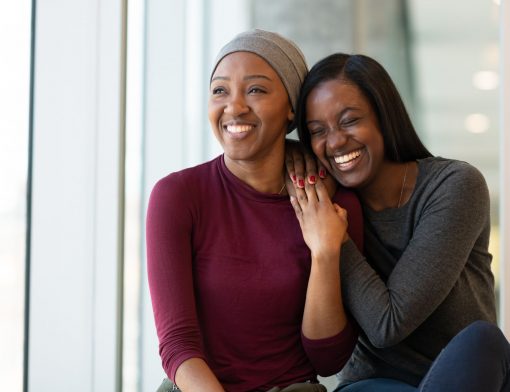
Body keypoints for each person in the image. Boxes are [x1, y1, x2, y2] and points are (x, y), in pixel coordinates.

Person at [146, 31, 364, 392]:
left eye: (256, 90)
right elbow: (178, 344)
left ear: (291, 107)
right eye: (220, 91)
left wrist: (325, 253)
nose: (234, 107)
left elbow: (328, 360)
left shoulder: (335, 206)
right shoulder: (177, 196)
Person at [286, 52, 510, 391]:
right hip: (375, 382)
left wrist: (334, 238)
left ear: (384, 116)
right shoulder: (331, 200)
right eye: (318, 131)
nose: (334, 141)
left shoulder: (453, 185)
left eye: (349, 121)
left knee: (483, 341)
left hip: (463, 376)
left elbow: (388, 324)